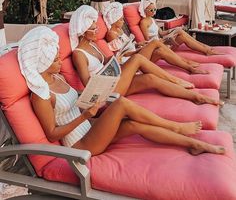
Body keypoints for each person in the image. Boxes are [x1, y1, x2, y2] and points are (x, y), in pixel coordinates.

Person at [18, 26, 225, 157]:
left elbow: (77, 101)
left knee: (134, 125)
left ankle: (194, 143)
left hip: (92, 126)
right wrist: (85, 116)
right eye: (54, 59)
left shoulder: (58, 77)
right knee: (121, 104)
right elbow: (52, 134)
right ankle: (178, 127)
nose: (59, 61)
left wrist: (92, 99)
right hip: (80, 144)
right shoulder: (41, 95)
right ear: (41, 62)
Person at [69, 5, 223, 105]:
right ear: (82, 30)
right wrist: (119, 65)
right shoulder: (78, 54)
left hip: (114, 79)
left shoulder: (94, 45)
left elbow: (111, 60)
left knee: (150, 78)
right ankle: (175, 79)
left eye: (97, 28)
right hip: (104, 92)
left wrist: (116, 64)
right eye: (94, 29)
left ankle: (196, 97)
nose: (97, 31)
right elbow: (89, 85)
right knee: (138, 57)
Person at [103, 1, 205, 75]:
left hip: (136, 52)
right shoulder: (111, 34)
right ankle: (187, 63)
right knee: (155, 42)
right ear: (114, 20)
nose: (123, 22)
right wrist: (140, 49)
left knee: (161, 51)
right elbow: (121, 54)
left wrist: (138, 44)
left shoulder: (119, 30)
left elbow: (127, 46)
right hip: (129, 60)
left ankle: (188, 66)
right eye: (121, 20)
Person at [139, 0, 222, 56]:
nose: (154, 12)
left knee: (179, 31)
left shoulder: (152, 19)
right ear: (145, 9)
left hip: (162, 42)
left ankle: (205, 48)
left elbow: (161, 33)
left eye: (155, 9)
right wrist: (164, 40)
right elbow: (148, 42)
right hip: (158, 46)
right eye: (151, 10)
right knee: (180, 33)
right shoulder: (143, 23)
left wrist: (171, 30)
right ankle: (206, 49)